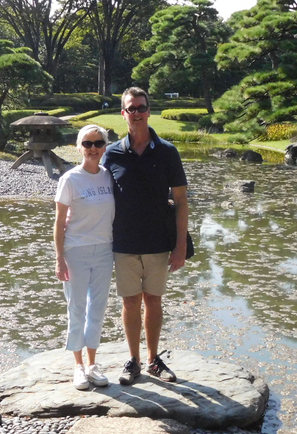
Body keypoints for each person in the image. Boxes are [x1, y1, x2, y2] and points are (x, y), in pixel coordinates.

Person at [102, 87, 189, 385]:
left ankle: (153, 360)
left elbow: (181, 201)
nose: (136, 113)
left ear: (149, 110)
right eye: (131, 108)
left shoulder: (167, 152)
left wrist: (180, 246)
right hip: (123, 242)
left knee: (153, 300)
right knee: (129, 302)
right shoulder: (111, 153)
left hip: (157, 242)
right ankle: (134, 360)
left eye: (141, 107)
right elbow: (100, 198)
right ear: (123, 113)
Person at [54, 124, 115, 390]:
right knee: (77, 307)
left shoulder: (108, 176)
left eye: (98, 143)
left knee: (98, 309)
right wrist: (59, 258)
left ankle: (92, 364)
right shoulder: (70, 179)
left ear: (105, 147)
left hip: (105, 249)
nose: (93, 149)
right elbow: (58, 223)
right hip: (75, 251)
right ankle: (77, 366)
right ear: (79, 147)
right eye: (87, 144)